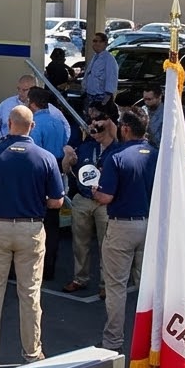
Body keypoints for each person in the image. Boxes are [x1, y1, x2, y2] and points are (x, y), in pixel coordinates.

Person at [0, 105, 65, 366]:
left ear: (9, 124)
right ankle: (32, 353)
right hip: (30, 228)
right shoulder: (45, 158)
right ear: (32, 127)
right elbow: (57, 201)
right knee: (30, 292)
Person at [93, 109, 158, 352]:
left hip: (122, 225)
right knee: (148, 286)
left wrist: (95, 192)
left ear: (126, 129)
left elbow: (106, 196)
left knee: (116, 286)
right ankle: (152, 340)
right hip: (150, 223)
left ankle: (113, 340)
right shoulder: (155, 154)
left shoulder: (117, 157)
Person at [60, 119, 117, 296]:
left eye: (99, 129)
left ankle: (106, 283)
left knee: (106, 244)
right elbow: (66, 168)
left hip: (105, 201)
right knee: (79, 242)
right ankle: (80, 278)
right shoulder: (86, 146)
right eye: (92, 129)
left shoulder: (117, 147)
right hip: (84, 198)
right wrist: (69, 159)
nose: (95, 132)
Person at [26, 87, 68, 280]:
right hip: (58, 170)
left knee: (36, 224)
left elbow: (33, 154)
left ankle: (37, 267)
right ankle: (50, 266)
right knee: (53, 223)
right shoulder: (58, 119)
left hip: (41, 174)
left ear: (32, 103)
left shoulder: (36, 124)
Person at [0, 75, 68, 142]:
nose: (20, 93)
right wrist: (0, 141)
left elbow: (66, 127)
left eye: (25, 90)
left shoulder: (49, 108)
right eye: (18, 89)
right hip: (7, 148)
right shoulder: (6, 104)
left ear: (34, 89)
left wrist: (63, 144)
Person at [82, 32, 119, 107]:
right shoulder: (95, 57)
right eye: (94, 41)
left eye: (99, 41)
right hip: (90, 95)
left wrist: (105, 100)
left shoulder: (109, 59)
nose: (96, 44)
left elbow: (111, 78)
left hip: (101, 97)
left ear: (105, 43)